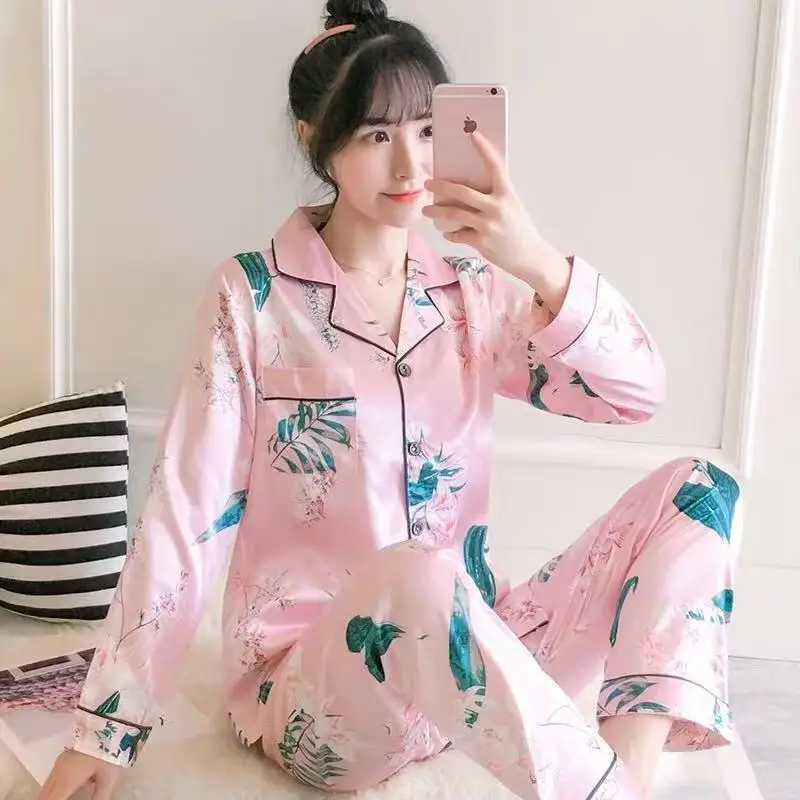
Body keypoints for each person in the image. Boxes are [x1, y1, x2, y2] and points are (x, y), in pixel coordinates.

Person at [39, 1, 742, 798]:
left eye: (426, 130)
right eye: (377, 136)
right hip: (321, 692)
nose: (410, 166)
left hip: (470, 659)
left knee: (700, 490)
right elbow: (185, 515)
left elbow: (637, 392)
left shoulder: (472, 293)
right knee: (414, 573)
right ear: (317, 139)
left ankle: (627, 780)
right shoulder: (254, 297)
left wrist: (536, 259)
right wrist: (107, 730)